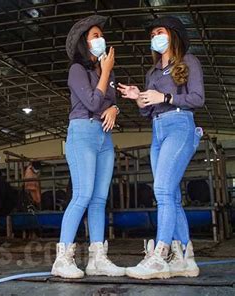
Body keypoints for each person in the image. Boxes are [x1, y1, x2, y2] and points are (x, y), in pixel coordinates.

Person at [118, 16, 204, 279]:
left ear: (172, 34)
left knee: (163, 190)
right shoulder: (152, 72)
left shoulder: (188, 61)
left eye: (160, 31)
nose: (155, 36)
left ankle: (160, 256)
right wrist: (139, 99)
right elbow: (147, 111)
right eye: (153, 33)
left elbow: (197, 98)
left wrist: (165, 96)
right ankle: (185, 258)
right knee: (171, 195)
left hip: (180, 124)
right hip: (157, 129)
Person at [51, 15, 125, 279]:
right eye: (95, 35)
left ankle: (97, 258)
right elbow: (94, 103)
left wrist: (115, 107)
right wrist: (105, 73)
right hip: (82, 132)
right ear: (85, 42)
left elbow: (110, 101)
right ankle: (62, 259)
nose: (101, 39)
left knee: (99, 200)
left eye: (101, 35)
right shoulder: (77, 71)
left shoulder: (107, 71)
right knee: (82, 195)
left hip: (104, 137)